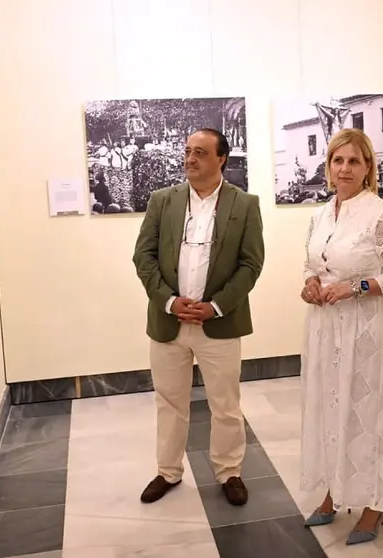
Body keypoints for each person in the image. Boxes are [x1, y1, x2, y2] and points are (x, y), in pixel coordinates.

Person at [131, 127, 265, 507]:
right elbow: (144, 257)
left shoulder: (245, 204)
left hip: (218, 323)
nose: (190, 159)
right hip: (169, 322)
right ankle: (168, 471)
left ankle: (229, 471)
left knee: (225, 403)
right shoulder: (162, 201)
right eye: (188, 151)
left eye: (201, 153)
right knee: (169, 401)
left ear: (222, 158)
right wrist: (170, 302)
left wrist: (216, 305)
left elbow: (251, 264)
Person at [298, 128, 383, 545]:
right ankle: (331, 493)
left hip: (366, 329)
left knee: (367, 411)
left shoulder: (381, 215)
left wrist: (355, 287)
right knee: (328, 407)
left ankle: (374, 504)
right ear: (328, 167)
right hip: (325, 327)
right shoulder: (322, 213)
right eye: (337, 161)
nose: (344, 169)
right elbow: (313, 262)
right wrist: (310, 283)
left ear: (368, 168)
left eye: (353, 162)